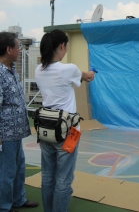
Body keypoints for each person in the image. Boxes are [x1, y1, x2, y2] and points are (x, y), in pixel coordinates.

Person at [35, 29, 95, 212]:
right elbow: (85, 77)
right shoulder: (69, 69)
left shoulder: (39, 69)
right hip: (70, 133)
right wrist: (90, 74)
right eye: (66, 46)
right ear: (62, 46)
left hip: (46, 129)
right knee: (64, 178)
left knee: (47, 176)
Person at [0, 32, 39, 212]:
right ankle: (5, 206)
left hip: (16, 132)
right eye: (18, 46)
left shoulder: (12, 69)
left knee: (19, 168)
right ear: (9, 49)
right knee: (6, 172)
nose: (20, 50)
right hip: (5, 134)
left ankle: (19, 199)